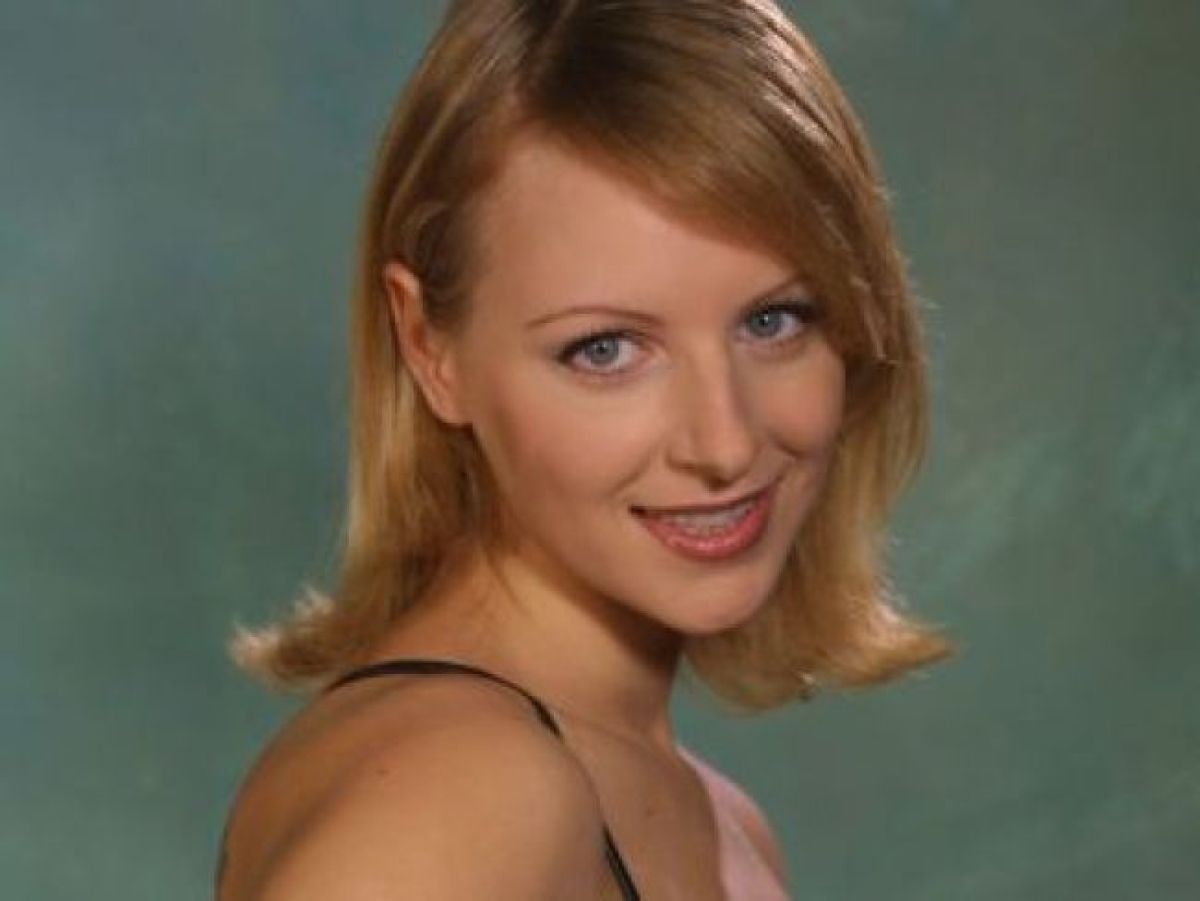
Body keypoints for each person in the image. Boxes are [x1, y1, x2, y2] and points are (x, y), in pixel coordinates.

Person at [215, 0, 954, 897]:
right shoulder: (458, 792)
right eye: (604, 349)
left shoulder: (723, 820)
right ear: (428, 347)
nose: (724, 442)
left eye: (775, 320)